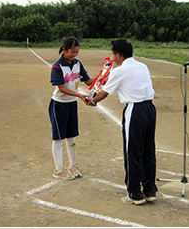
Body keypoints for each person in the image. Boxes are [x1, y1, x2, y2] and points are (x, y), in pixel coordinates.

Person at [88, 39, 157, 205]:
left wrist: (93, 101)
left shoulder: (119, 71)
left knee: (132, 152)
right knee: (148, 151)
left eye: (114, 54)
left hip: (135, 110)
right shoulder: (142, 66)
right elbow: (120, 82)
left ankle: (135, 193)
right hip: (150, 109)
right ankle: (149, 190)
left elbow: (104, 93)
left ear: (118, 55)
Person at [49, 37, 94, 180]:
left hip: (71, 104)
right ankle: (58, 169)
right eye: (72, 52)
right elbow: (62, 88)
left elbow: (87, 81)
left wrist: (103, 77)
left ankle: (72, 166)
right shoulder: (57, 67)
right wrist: (80, 95)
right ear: (64, 50)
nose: (74, 55)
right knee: (58, 138)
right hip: (59, 105)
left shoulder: (78, 64)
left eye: (77, 52)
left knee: (72, 138)